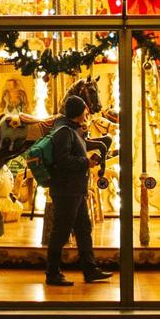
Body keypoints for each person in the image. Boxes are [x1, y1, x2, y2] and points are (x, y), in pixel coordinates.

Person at [44, 96, 112, 287]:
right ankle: (52, 271)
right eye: (85, 110)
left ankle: (90, 269)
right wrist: (86, 162)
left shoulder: (72, 130)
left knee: (83, 229)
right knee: (61, 231)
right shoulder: (64, 131)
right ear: (79, 112)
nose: (87, 114)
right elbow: (63, 159)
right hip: (66, 190)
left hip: (75, 190)